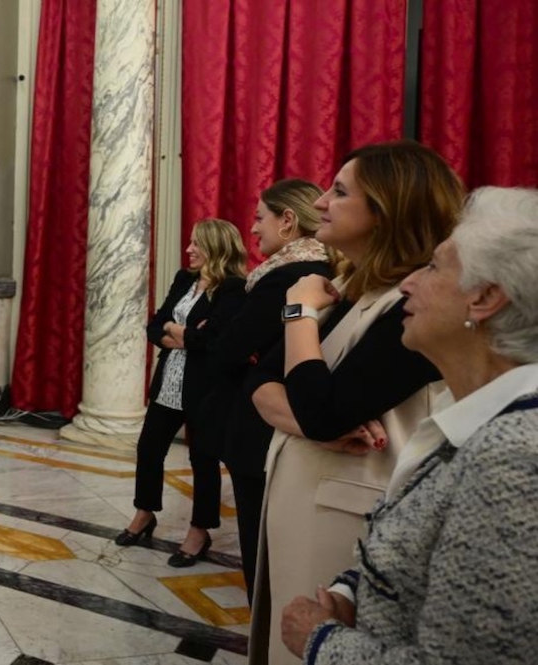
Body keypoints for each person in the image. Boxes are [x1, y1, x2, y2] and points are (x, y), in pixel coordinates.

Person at [280, 186, 538, 664]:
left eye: (436, 267)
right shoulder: (478, 423)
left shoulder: (516, 459)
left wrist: (322, 641)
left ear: (484, 297)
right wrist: (355, 593)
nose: (408, 285)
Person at [244, 140, 464, 665]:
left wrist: (298, 312)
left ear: (386, 213)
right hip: (301, 503)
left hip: (349, 525)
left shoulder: (416, 306)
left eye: (339, 192)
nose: (320, 202)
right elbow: (260, 382)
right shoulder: (348, 289)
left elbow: (321, 409)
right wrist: (310, 417)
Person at [203, 179, 334, 601]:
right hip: (293, 433)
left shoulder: (285, 278)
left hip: (262, 432)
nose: (254, 229)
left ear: (288, 221)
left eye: (260, 217)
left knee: (263, 558)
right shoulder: (326, 269)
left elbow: (225, 352)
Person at [114, 218, 247, 567]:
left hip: (207, 388)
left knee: (203, 459)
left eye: (196, 244)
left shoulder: (233, 289)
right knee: (149, 449)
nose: (188, 250)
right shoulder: (184, 279)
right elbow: (154, 326)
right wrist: (182, 332)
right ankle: (145, 514)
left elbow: (217, 341)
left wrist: (181, 334)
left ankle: (199, 531)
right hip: (169, 381)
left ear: (216, 248)